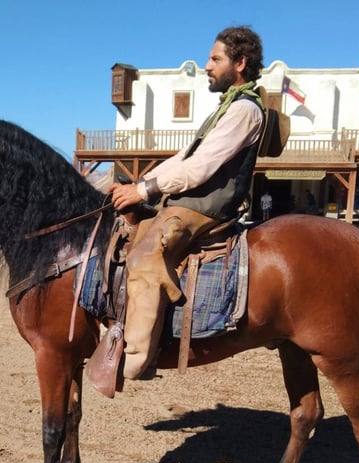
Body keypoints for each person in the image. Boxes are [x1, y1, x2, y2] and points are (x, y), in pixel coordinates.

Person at [108, 26, 266, 380]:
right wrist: (140, 186)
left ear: (240, 63)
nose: (207, 66)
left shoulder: (245, 110)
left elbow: (199, 169)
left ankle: (133, 357)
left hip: (205, 207)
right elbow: (185, 156)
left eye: (215, 59)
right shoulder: (226, 107)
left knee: (146, 254)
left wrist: (145, 191)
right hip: (189, 200)